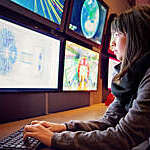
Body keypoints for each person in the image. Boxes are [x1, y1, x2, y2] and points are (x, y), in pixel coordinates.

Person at [23, 5, 150, 150]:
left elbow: (123, 136)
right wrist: (63, 127)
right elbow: (109, 122)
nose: (112, 44)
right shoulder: (132, 77)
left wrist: (54, 139)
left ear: (135, 37)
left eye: (117, 34)